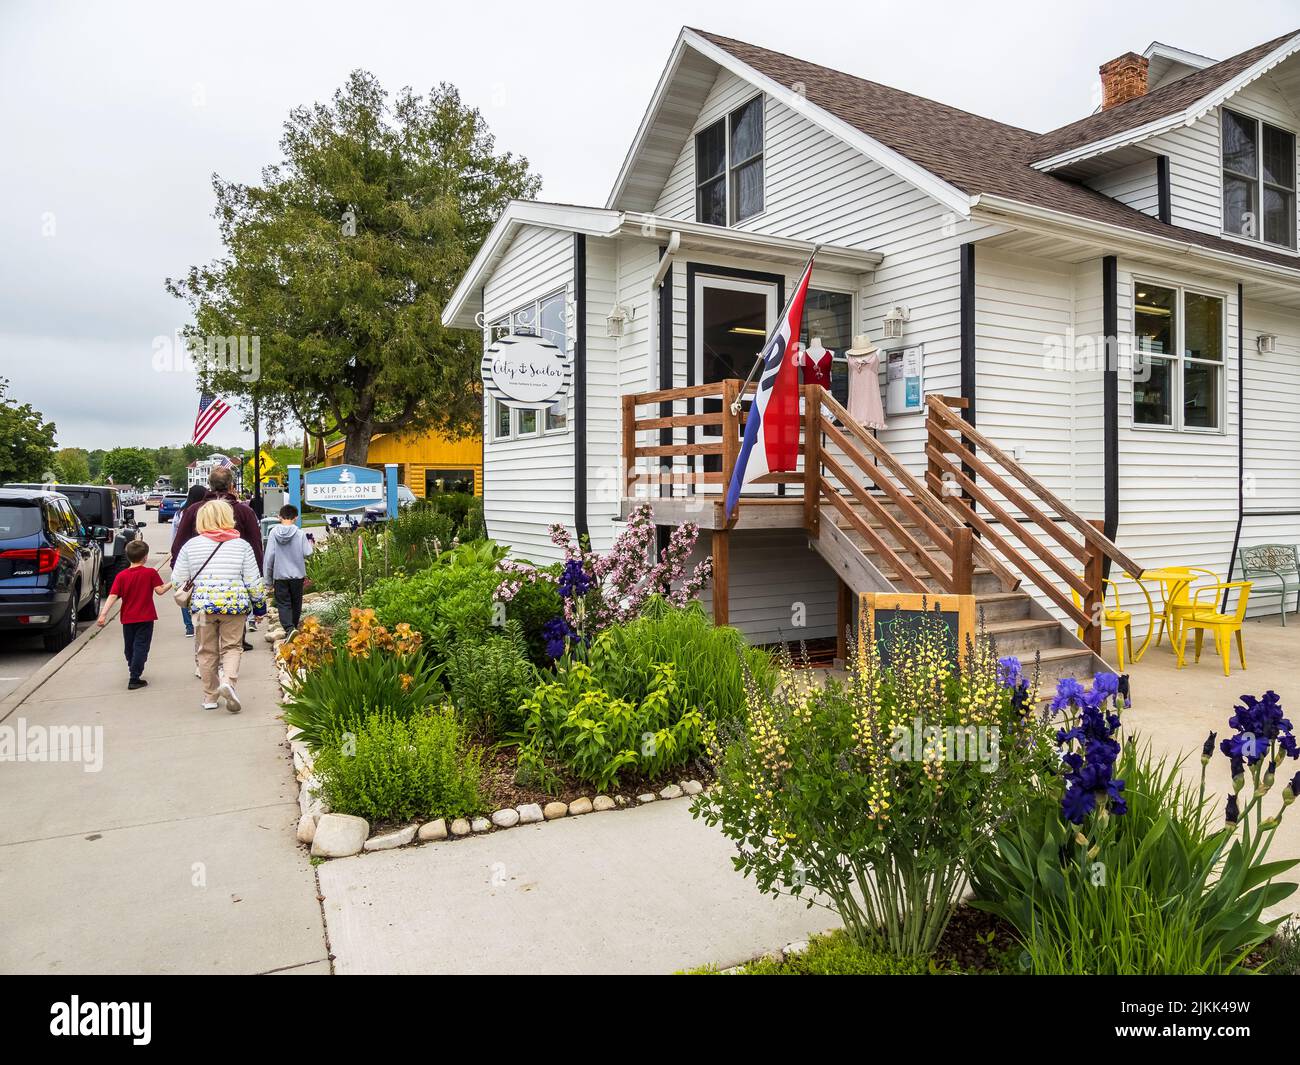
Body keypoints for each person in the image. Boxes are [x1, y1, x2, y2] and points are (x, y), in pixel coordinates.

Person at [172, 499, 266, 713]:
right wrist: (259, 607)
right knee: (232, 647)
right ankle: (228, 682)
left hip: (201, 608)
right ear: (228, 518)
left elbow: (178, 581)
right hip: (234, 606)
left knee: (205, 650)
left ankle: (210, 696)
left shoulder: (190, 546)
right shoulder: (242, 546)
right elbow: (253, 581)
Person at [170, 466, 262, 651]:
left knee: (204, 637)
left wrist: (179, 572)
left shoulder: (194, 510)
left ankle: (203, 663)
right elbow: (255, 546)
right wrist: (257, 574)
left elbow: (178, 545)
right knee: (232, 635)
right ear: (231, 485)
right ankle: (230, 659)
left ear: (209, 485)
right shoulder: (244, 512)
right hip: (235, 580)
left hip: (201, 583)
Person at [96, 539, 174, 690]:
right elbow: (160, 591)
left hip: (127, 618)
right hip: (146, 617)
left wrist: (103, 614)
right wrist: (173, 582)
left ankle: (133, 666)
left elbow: (112, 596)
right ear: (145, 557)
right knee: (141, 646)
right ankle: (135, 676)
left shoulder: (121, 576)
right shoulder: (150, 573)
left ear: (127, 556)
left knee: (129, 647)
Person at [263, 503, 313, 633]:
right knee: (296, 603)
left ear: (279, 517)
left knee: (283, 603)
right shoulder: (300, 533)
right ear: (295, 518)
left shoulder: (273, 533)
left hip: (280, 575)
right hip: (297, 575)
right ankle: (293, 627)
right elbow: (308, 552)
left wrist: (268, 581)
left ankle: (289, 628)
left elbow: (269, 557)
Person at [171, 484, 208, 637]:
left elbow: (174, 535)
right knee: (201, 591)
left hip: (184, 556)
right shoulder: (206, 511)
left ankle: (189, 626)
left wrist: (174, 555)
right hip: (202, 554)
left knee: (185, 589)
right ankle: (199, 623)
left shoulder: (181, 513)